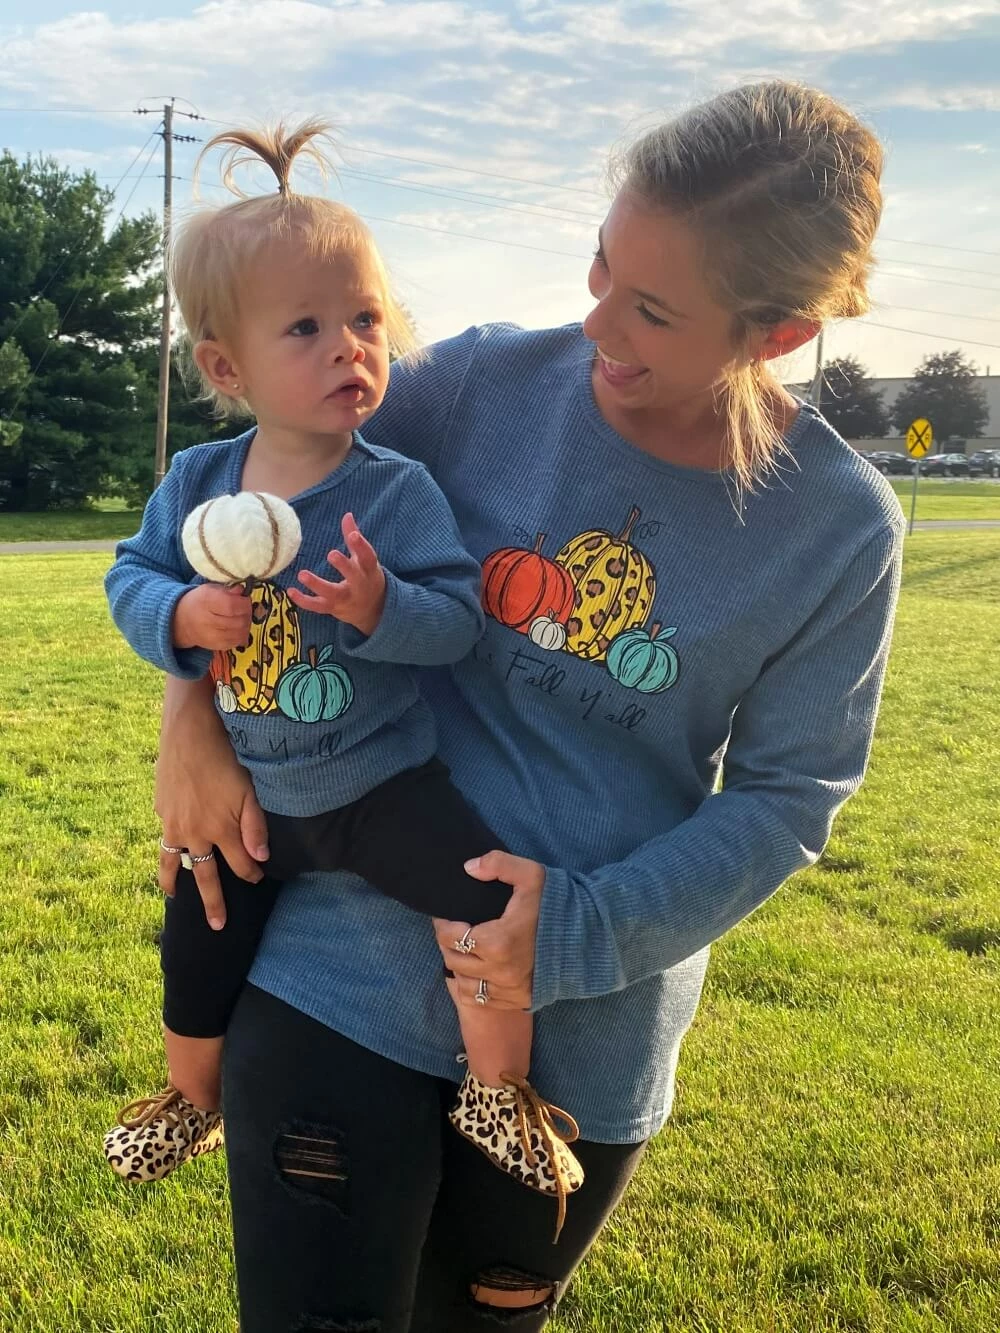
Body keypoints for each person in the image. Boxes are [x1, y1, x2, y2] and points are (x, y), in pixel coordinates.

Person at [151, 82, 904, 1331]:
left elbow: (788, 797)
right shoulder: (478, 385)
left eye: (652, 308)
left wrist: (576, 934)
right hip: (334, 965)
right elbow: (232, 497)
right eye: (603, 262)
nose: (596, 318)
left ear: (774, 334)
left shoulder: (836, 529)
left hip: (587, 1041)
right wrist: (190, 718)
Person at [101, 121, 584, 1217]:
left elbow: (458, 620)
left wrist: (379, 608)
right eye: (307, 327)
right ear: (227, 367)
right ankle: (185, 1097)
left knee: (477, 908)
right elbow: (127, 580)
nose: (349, 348)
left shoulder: (396, 490)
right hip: (251, 803)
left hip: (379, 786)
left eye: (366, 320)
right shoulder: (197, 482)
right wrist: (180, 611)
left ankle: (499, 1094)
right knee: (196, 948)